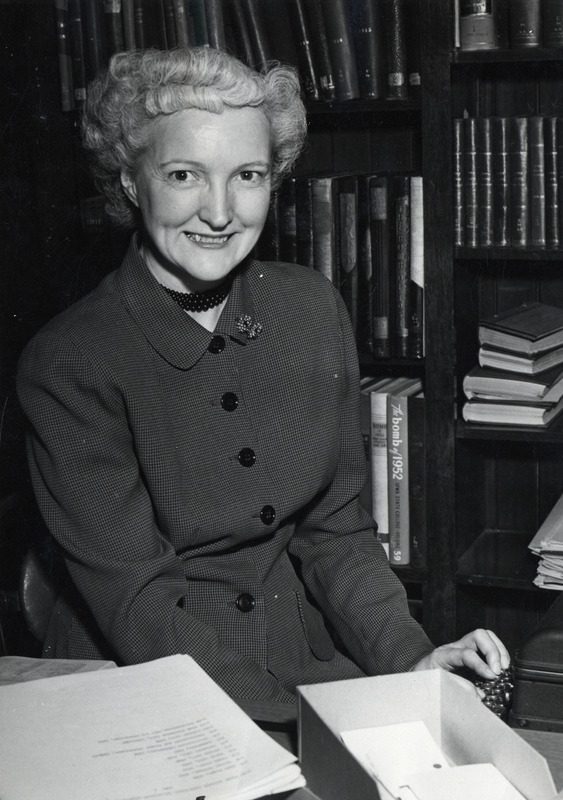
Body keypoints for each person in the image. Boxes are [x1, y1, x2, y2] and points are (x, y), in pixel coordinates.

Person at [17, 46, 509, 705]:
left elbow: (336, 532)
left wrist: (408, 657)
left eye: (247, 175)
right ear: (133, 182)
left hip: (305, 663)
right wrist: (305, 722)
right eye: (185, 174)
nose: (219, 212)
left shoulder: (311, 309)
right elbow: (138, 601)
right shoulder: (69, 361)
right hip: (146, 685)